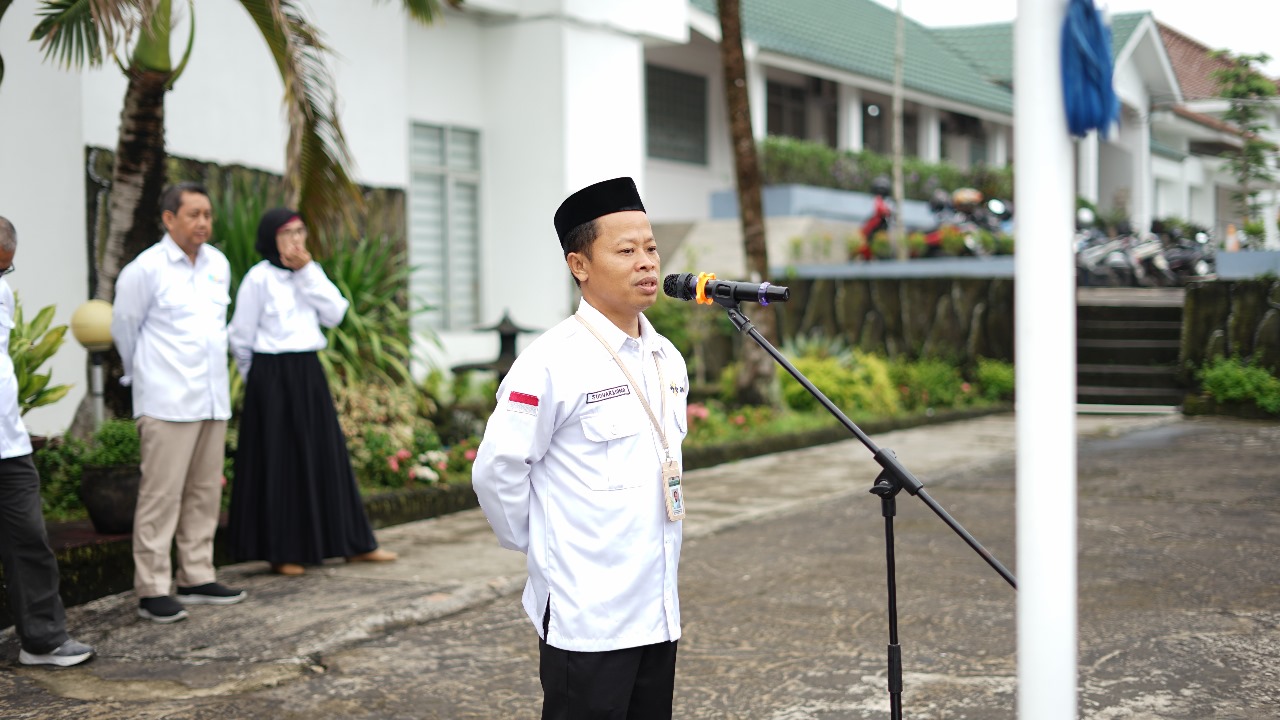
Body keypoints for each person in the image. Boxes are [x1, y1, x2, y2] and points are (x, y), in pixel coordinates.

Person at [472, 177, 690, 719]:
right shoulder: (551, 361)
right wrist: (543, 543)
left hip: (658, 607)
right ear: (579, 265)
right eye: (625, 250)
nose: (646, 262)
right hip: (586, 614)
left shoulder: (666, 357)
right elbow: (497, 470)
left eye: (651, 248)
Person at [226, 208, 397, 576]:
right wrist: (257, 381)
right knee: (280, 461)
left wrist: (307, 272)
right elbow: (240, 336)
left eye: (300, 231)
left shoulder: (310, 273)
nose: (296, 240)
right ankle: (283, 551)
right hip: (270, 374)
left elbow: (335, 313)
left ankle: (352, 545)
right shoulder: (258, 278)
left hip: (308, 371)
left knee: (326, 456)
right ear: (271, 237)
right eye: (287, 233)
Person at [111, 182, 246, 624]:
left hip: (211, 399)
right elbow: (125, 330)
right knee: (161, 496)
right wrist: (144, 379)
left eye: (207, 214)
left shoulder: (218, 264)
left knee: (205, 493)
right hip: (166, 400)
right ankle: (153, 587)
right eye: (194, 214)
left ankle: (196, 575)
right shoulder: (144, 269)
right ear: (169, 219)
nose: (203, 222)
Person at [0, 217, 95, 666]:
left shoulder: (2, 291)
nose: (1, 277)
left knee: (30, 540)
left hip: (9, 444)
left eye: (5, 269)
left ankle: (43, 641)